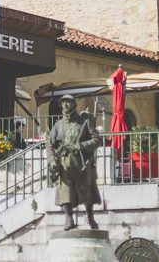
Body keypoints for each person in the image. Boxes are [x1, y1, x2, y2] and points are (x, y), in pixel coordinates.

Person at [46, 95, 102, 230]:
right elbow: (50, 145)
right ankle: (69, 220)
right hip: (65, 163)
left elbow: (96, 140)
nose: (65, 105)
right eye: (63, 103)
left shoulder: (84, 122)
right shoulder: (58, 125)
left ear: (74, 105)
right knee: (66, 191)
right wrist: (52, 160)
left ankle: (90, 216)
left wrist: (81, 146)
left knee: (87, 192)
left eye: (68, 103)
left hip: (81, 163)